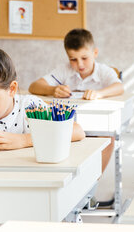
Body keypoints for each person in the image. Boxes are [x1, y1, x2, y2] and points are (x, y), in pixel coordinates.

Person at [0, 46, 85, 232]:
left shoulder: (29, 108)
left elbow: (76, 131)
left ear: (11, 89)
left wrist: (23, 140)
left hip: (29, 195)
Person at [29, 28, 123, 174]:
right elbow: (34, 86)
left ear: (95, 53)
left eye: (84, 58)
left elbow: (119, 87)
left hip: (97, 122)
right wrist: (52, 90)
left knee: (108, 138)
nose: (79, 64)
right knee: (55, 134)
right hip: (71, 122)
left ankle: (94, 179)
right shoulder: (64, 70)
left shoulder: (104, 71)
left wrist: (99, 93)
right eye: (73, 59)